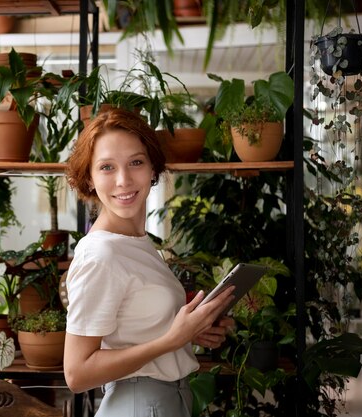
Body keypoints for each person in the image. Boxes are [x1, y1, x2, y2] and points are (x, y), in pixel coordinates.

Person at [63, 108, 235, 416]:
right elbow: (77, 374)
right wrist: (171, 340)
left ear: (153, 168)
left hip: (165, 402)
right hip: (140, 404)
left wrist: (191, 332)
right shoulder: (100, 254)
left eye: (136, 162)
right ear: (88, 176)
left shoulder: (136, 244)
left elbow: (135, 328)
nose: (123, 180)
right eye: (106, 167)